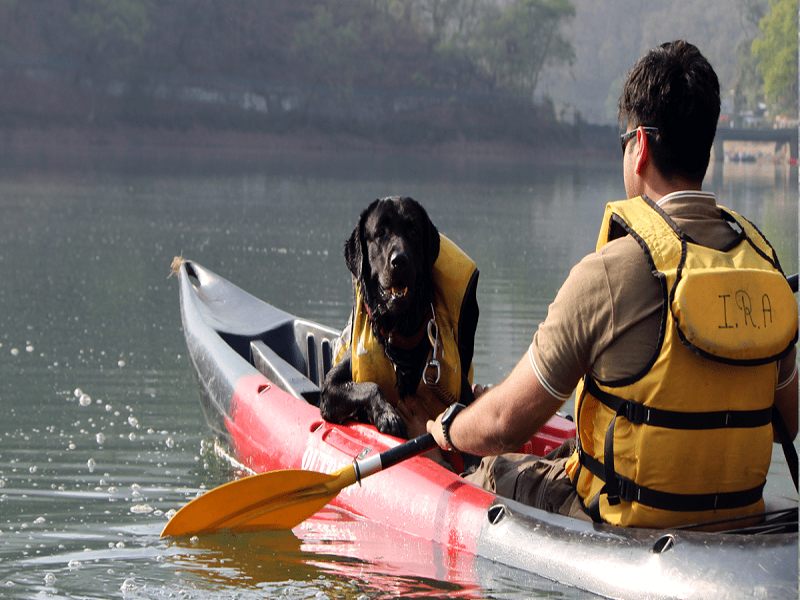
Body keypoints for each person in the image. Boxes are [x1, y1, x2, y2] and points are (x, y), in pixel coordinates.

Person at [427, 40, 798, 529]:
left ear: (639, 145)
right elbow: (787, 423)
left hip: (624, 522)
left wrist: (450, 429)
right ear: (707, 147)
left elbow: (502, 425)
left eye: (623, 141)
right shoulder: (764, 266)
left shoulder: (609, 272)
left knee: (492, 468)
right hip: (736, 518)